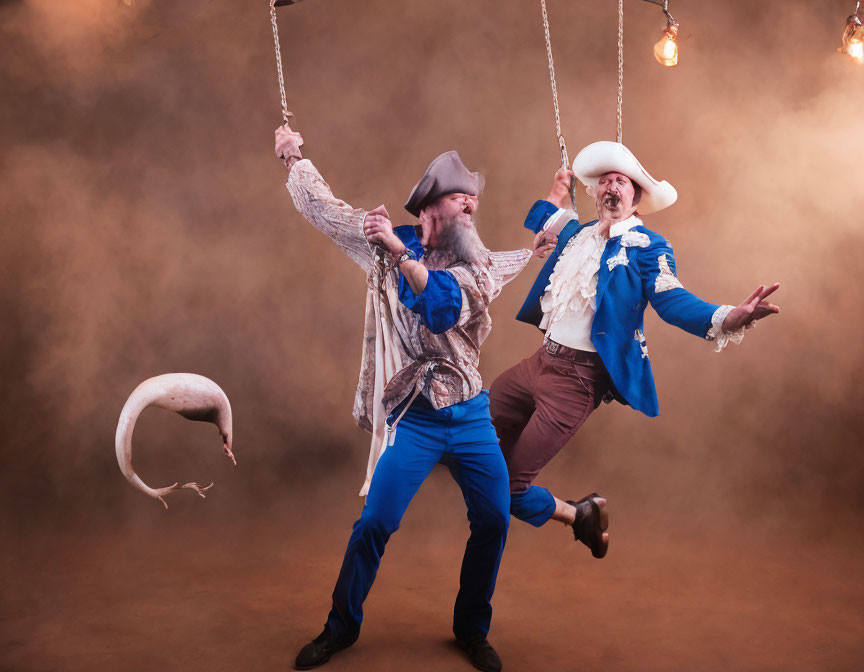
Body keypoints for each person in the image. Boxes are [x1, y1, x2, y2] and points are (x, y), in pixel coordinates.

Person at [275, 124, 538, 672]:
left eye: (473, 203)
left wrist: (399, 250)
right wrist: (293, 157)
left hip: (470, 418)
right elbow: (327, 212)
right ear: (429, 209)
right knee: (374, 523)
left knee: (493, 520)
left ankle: (471, 628)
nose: (471, 208)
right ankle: (339, 628)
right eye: (460, 200)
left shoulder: (476, 263)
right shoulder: (384, 244)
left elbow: (441, 304)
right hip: (416, 421)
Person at [489, 141, 780, 558]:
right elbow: (543, 221)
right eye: (604, 180)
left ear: (635, 196)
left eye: (621, 182)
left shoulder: (648, 247)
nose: (611, 187)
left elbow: (672, 299)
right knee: (471, 442)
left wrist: (729, 317)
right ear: (594, 192)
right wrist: (555, 194)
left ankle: (579, 514)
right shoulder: (576, 233)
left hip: (575, 383)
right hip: (538, 363)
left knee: (511, 489)